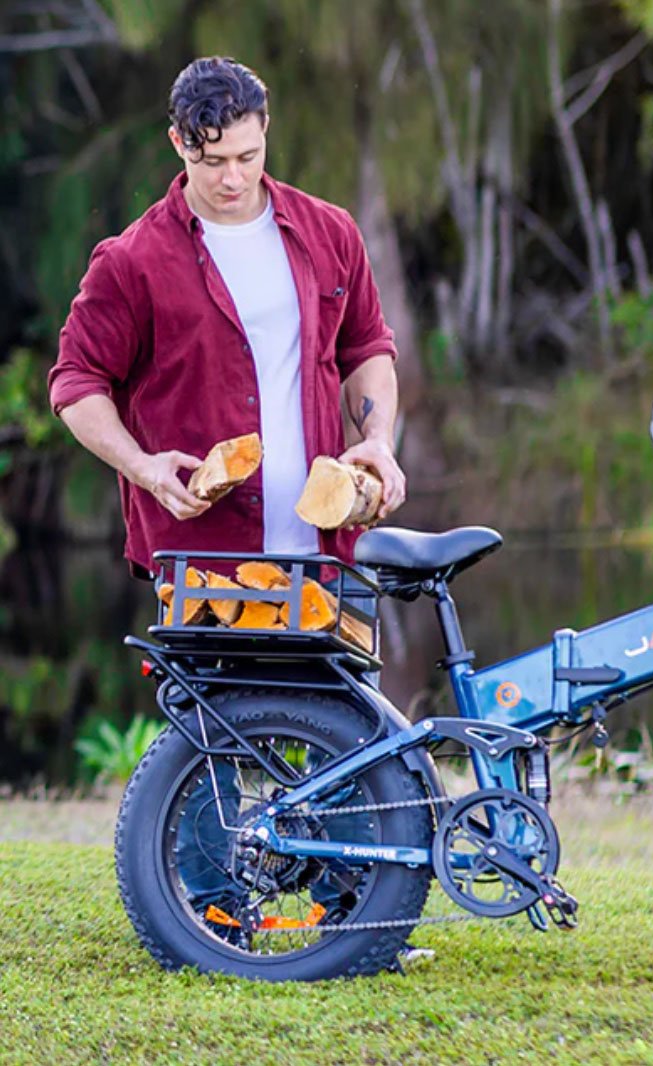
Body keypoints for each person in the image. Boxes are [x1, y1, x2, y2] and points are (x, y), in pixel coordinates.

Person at [48, 56, 409, 947]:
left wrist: (377, 442)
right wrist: (141, 464)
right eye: (212, 159)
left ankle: (348, 918)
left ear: (264, 134)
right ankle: (211, 918)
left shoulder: (327, 232)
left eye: (247, 154)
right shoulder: (132, 261)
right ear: (179, 143)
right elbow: (75, 382)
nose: (233, 175)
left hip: (322, 538)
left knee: (340, 717)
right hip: (199, 544)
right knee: (214, 726)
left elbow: (368, 347)